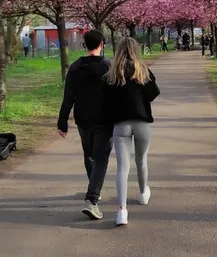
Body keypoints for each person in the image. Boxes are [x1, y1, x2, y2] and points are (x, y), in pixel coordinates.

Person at [103, 38, 160, 226]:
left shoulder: (111, 74)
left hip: (121, 124)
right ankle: (143, 193)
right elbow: (153, 94)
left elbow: (106, 98)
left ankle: (122, 210)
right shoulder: (143, 71)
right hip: (142, 122)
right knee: (141, 160)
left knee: (122, 166)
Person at [57, 30, 112, 220]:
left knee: (89, 155)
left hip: (83, 119)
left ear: (84, 45)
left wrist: (62, 122)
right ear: (102, 44)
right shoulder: (108, 66)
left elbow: (68, 97)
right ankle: (92, 199)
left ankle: (93, 187)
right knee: (101, 158)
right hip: (104, 120)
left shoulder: (75, 67)